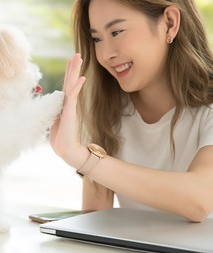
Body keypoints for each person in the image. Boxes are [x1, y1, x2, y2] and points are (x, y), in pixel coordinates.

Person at [50, 0, 213, 222]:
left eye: (116, 32)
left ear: (170, 23)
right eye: (97, 39)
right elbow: (96, 221)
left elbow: (200, 200)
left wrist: (82, 157)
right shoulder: (106, 108)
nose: (106, 54)